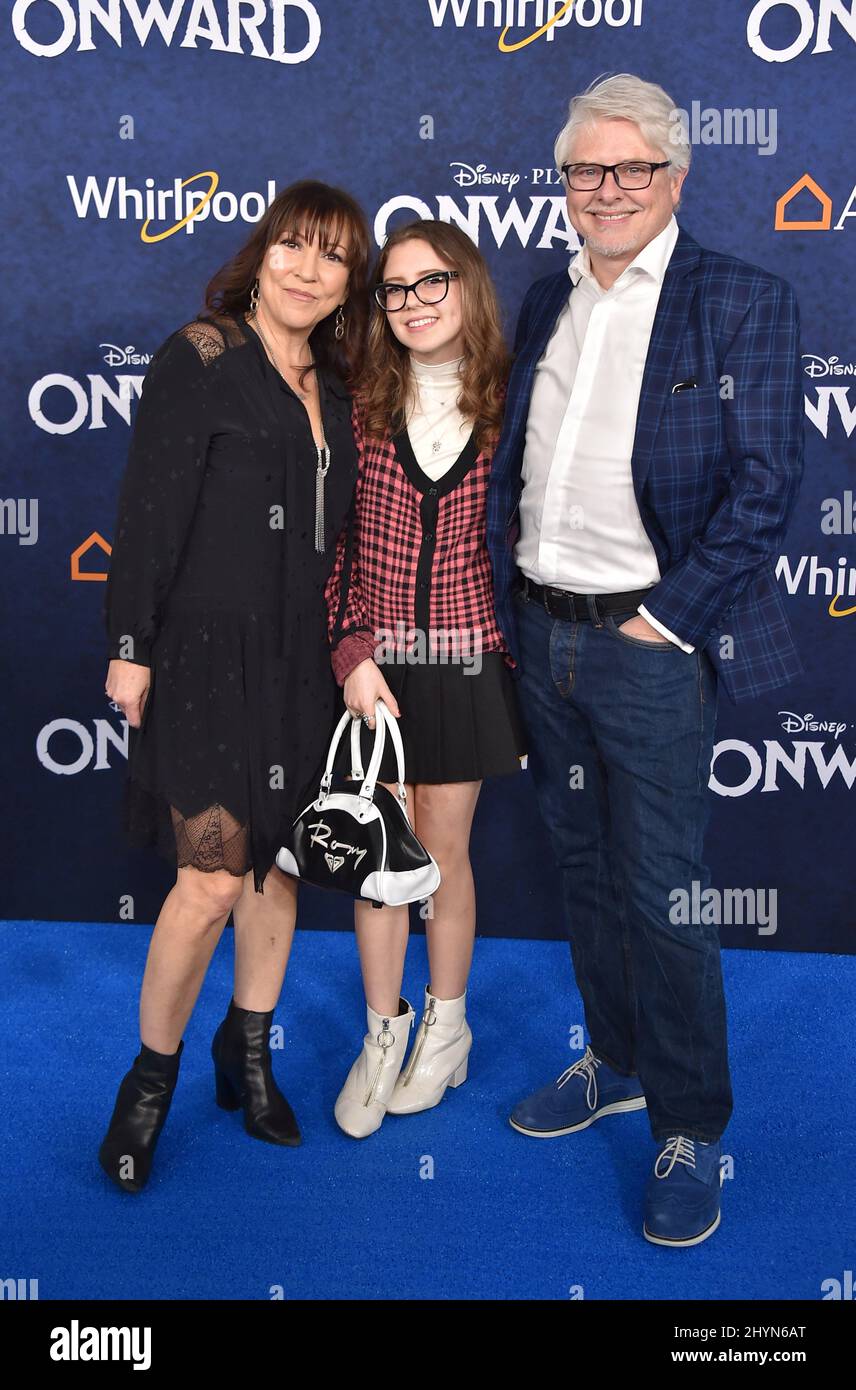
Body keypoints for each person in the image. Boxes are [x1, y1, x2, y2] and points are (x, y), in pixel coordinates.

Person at [486, 74, 804, 1246]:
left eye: (630, 169)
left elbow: (770, 487)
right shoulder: (543, 297)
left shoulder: (740, 300)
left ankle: (690, 1124)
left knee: (664, 893)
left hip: (646, 644)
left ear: (676, 177)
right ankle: (611, 1059)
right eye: (585, 170)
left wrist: (660, 620)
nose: (606, 190)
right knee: (581, 869)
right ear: (563, 182)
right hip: (541, 632)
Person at [99, 180, 371, 1191]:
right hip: (204, 658)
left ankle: (246, 1054)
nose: (307, 268)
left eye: (332, 255)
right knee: (209, 878)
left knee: (275, 868)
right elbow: (149, 507)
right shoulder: (201, 354)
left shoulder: (340, 389)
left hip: (304, 666)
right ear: (260, 256)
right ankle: (148, 1084)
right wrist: (130, 643)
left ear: (351, 281)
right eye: (291, 245)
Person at [323, 219, 527, 1138]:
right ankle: (381, 1036)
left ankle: (447, 1030)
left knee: (443, 857)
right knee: (382, 859)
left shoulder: (513, 404)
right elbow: (330, 549)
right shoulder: (357, 402)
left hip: (470, 658)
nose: (411, 302)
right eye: (394, 289)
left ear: (468, 285)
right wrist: (351, 651)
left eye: (429, 281)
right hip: (380, 666)